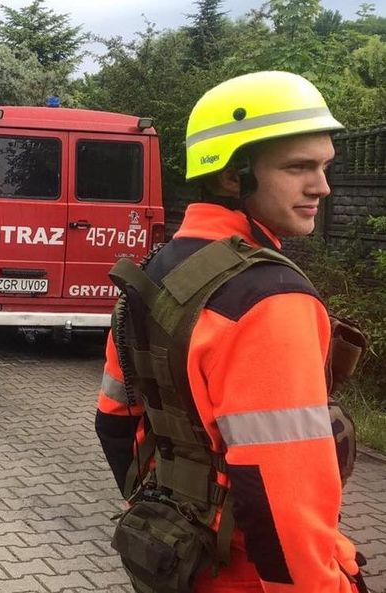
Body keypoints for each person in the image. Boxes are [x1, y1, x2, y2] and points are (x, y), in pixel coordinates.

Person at [96, 71, 368, 593]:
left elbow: (114, 419)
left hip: (177, 563)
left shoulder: (154, 271)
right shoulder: (271, 298)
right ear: (230, 176)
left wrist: (168, 515)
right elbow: (279, 494)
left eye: (324, 166)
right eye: (298, 167)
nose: (323, 186)